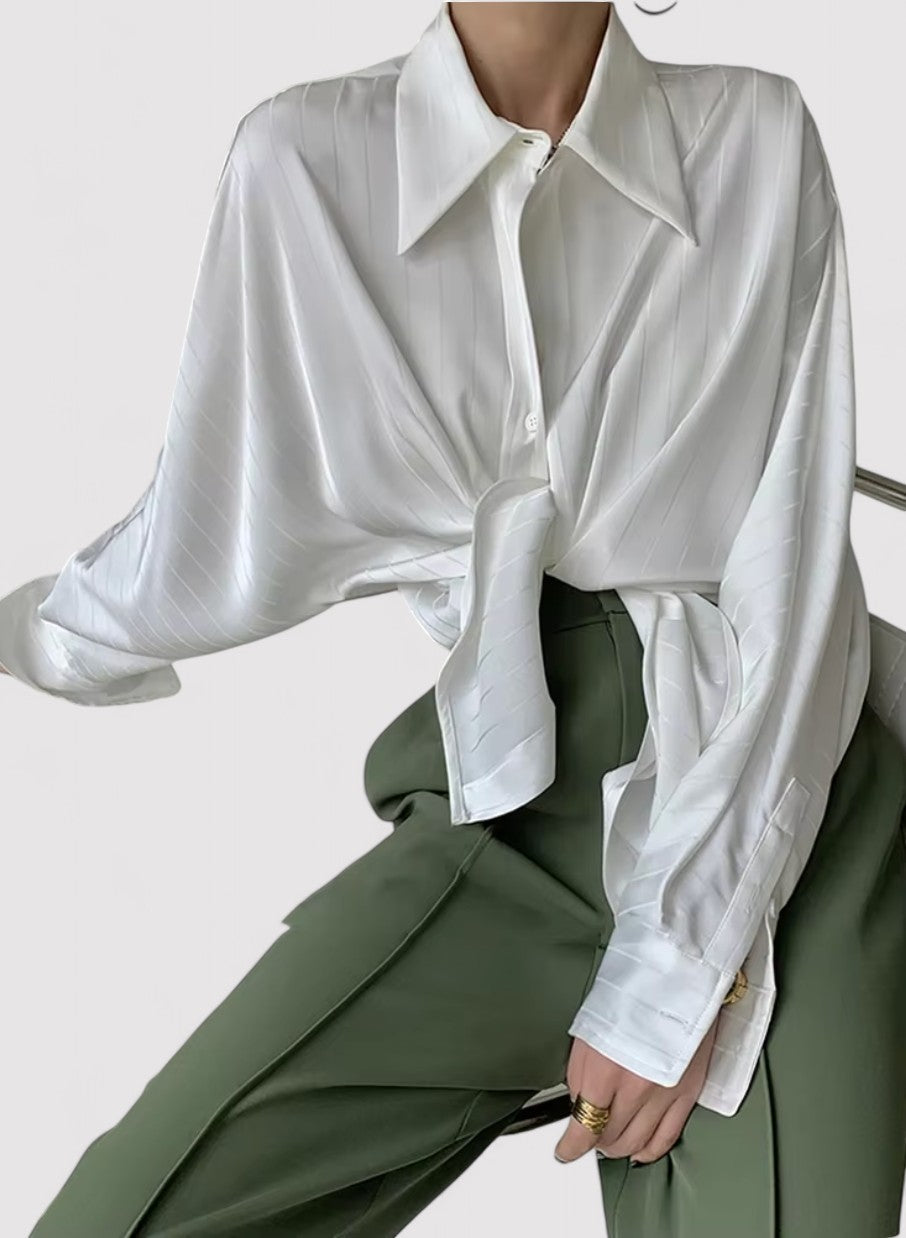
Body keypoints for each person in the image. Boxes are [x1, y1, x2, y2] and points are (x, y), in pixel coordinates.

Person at [6, 3, 906, 1235]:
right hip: (511, 807)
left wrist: (683, 967)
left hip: (771, 814)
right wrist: (36, 635)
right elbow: (218, 523)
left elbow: (796, 572)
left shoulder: (755, 134)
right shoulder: (305, 164)